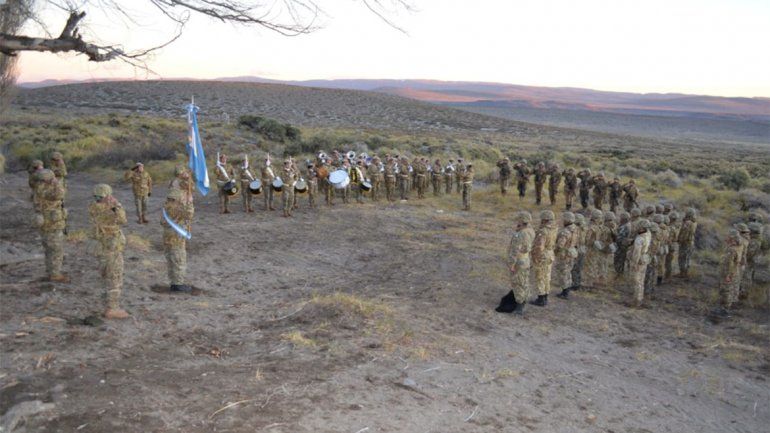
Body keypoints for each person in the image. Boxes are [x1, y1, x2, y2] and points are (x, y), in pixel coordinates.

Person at [88, 184, 129, 319]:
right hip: (111, 246)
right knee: (115, 276)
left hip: (101, 246)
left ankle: (108, 303)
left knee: (106, 273)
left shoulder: (93, 206)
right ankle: (112, 308)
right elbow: (123, 220)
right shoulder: (110, 209)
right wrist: (116, 205)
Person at [497, 212, 535, 315]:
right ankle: (523, 301)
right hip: (526, 260)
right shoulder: (531, 231)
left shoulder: (520, 234)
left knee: (517, 284)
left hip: (519, 261)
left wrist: (511, 264)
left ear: (521, 220)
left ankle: (519, 307)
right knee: (524, 282)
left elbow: (515, 250)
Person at [34, 169, 68, 282]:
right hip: (53, 224)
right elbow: (60, 194)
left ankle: (50, 272)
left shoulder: (39, 187)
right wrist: (56, 183)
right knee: (56, 250)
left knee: (48, 250)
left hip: (44, 224)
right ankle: (55, 274)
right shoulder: (49, 190)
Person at [162, 188, 194, 292]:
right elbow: (189, 215)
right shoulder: (178, 207)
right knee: (179, 258)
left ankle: (173, 281)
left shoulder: (166, 206)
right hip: (176, 236)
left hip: (168, 234)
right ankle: (178, 284)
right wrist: (190, 203)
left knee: (171, 258)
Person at [530, 210, 558, 306]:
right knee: (547, 276)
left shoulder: (543, 231)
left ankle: (541, 298)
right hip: (550, 253)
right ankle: (545, 296)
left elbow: (539, 246)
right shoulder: (554, 228)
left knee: (540, 276)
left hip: (543, 254)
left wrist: (535, 256)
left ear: (545, 219)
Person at [583, 209, 611, 290]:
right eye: (599, 218)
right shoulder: (598, 227)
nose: (600, 219)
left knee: (590, 266)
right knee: (592, 266)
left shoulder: (593, 227)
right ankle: (592, 282)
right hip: (595, 249)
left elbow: (587, 239)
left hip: (592, 249)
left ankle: (589, 283)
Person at [555, 212, 580, 299]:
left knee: (563, 272)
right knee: (568, 271)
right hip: (572, 252)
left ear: (567, 220)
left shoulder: (565, 232)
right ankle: (567, 289)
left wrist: (555, 251)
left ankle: (565, 292)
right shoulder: (576, 229)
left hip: (564, 254)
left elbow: (560, 245)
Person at [628, 220, 652, 307]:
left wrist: (634, 263)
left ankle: (636, 301)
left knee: (636, 280)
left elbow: (636, 252)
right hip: (644, 258)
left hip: (639, 260)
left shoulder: (639, 238)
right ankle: (640, 298)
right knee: (641, 280)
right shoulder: (648, 234)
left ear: (642, 228)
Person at [678, 208, 698, 278]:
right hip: (691, 242)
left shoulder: (688, 223)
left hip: (685, 242)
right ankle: (685, 272)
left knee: (682, 257)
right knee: (687, 257)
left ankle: (682, 273)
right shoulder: (694, 222)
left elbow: (684, 233)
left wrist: (680, 240)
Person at [571, 213, 588, 291]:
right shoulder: (585, 228)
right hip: (583, 249)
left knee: (574, 268)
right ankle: (578, 283)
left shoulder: (576, 229)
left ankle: (575, 284)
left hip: (577, 249)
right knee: (579, 268)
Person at [614, 212, 632, 278]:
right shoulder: (629, 225)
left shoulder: (624, 227)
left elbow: (619, 238)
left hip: (621, 246)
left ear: (624, 219)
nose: (620, 219)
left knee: (618, 260)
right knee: (622, 260)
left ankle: (618, 274)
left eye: (621, 218)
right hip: (624, 246)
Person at [665, 211, 681, 278]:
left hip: (669, 244)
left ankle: (667, 275)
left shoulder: (670, 227)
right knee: (669, 260)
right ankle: (668, 275)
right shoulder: (678, 226)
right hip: (673, 245)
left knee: (667, 261)